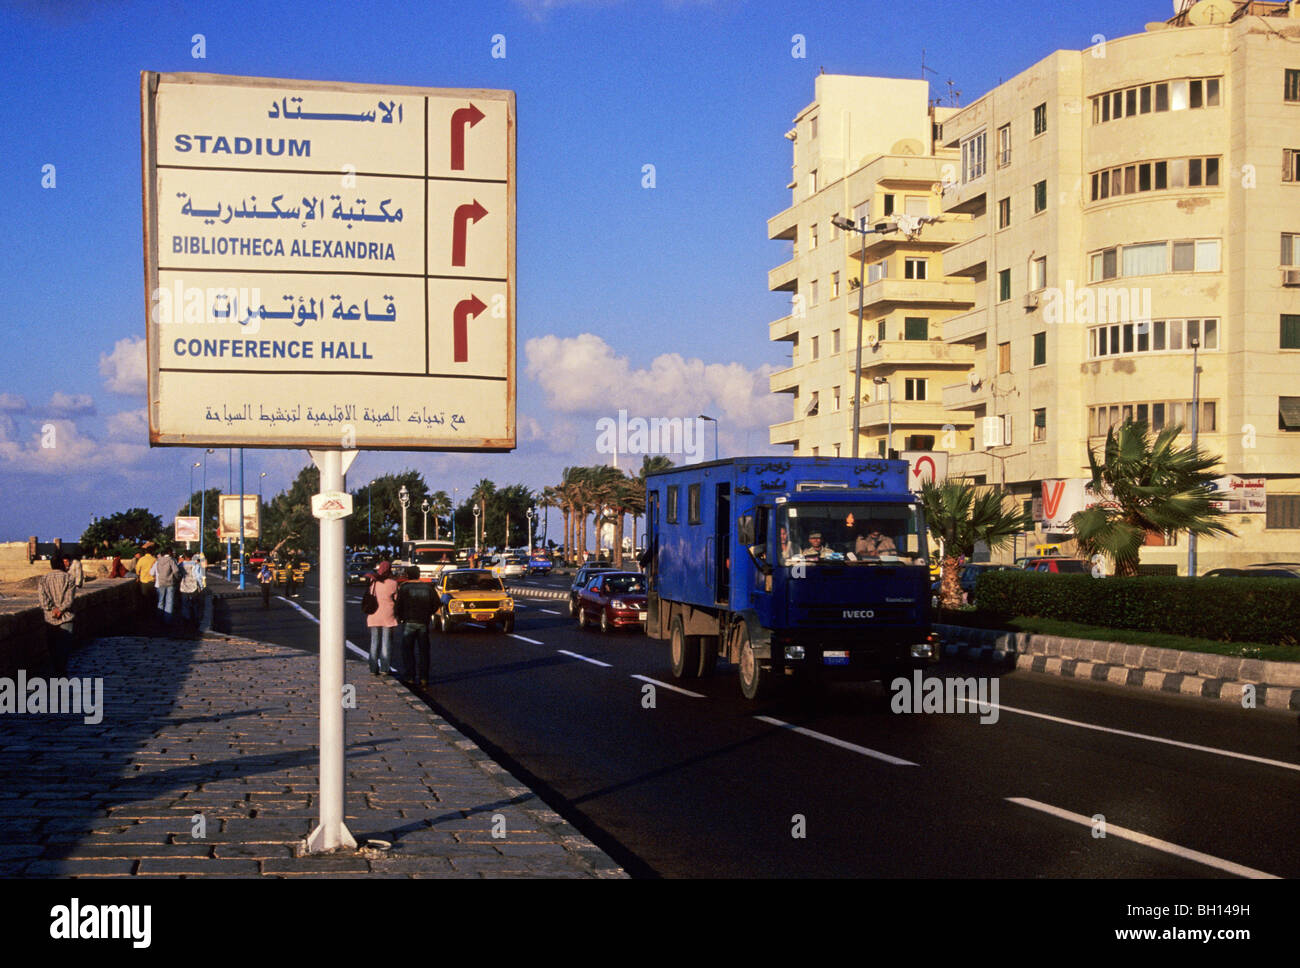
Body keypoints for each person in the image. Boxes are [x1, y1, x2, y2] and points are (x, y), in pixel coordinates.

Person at [395, 565, 435, 688]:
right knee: (424, 651)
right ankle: (424, 678)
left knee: (408, 650)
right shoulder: (428, 588)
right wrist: (428, 613)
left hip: (408, 621)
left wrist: (400, 617)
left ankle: (410, 677)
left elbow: (398, 606)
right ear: (418, 575)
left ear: (408, 575)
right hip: (423, 622)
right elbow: (436, 604)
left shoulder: (404, 588)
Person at [38, 556, 76, 676]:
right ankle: (62, 671)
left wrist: (52, 609)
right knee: (64, 647)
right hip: (66, 617)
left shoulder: (43, 579)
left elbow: (43, 599)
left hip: (50, 617)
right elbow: (69, 599)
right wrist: (61, 609)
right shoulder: (69, 578)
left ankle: (56, 670)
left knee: (53, 647)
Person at [365, 560, 400, 676]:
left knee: (374, 642)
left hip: (374, 614)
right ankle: (385, 668)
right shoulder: (393, 583)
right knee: (386, 643)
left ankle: (372, 668)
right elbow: (396, 598)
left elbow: (371, 593)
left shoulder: (373, 581)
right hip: (388, 615)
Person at [151, 548, 179, 624]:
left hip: (160, 582)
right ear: (169, 553)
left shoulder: (158, 560)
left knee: (160, 600)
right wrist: (176, 577)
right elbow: (176, 570)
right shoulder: (171, 560)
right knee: (169, 601)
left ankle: (159, 617)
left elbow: (153, 572)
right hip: (170, 582)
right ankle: (167, 620)